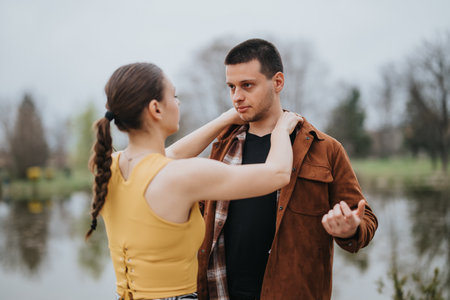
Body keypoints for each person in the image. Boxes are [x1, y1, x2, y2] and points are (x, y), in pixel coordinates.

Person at [85, 62, 302, 300]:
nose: (178, 103)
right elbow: (277, 174)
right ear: (156, 108)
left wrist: (224, 119)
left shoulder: (109, 167)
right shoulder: (182, 176)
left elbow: (170, 155)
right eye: (174, 96)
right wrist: (281, 130)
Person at [197, 39, 378, 300]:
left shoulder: (325, 149)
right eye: (231, 87)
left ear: (278, 82)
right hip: (223, 292)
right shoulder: (224, 146)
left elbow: (366, 219)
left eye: (247, 85)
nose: (237, 96)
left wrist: (350, 229)